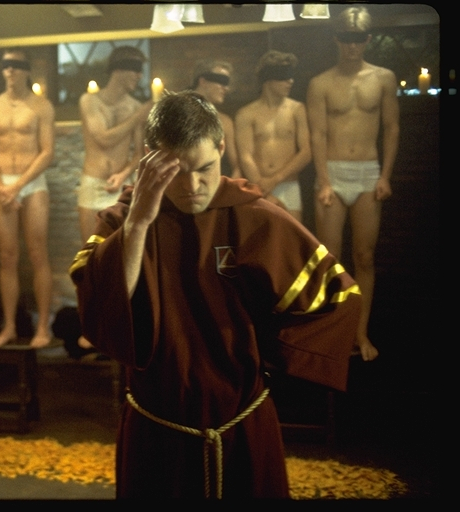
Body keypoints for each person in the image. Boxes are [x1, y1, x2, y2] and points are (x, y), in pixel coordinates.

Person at [69, 91, 361, 498]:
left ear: (221, 147)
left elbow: (339, 296)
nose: (192, 186)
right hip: (157, 428)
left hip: (241, 422)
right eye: (177, 172)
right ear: (151, 159)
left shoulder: (256, 216)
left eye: (205, 168)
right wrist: (138, 224)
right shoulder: (124, 219)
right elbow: (98, 304)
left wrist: (271, 356)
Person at [307, 6, 399, 361]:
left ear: (368, 40)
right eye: (346, 39)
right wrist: (324, 180)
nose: (352, 46)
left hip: (367, 173)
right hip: (332, 171)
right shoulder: (320, 83)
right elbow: (317, 134)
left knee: (364, 256)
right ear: (336, 39)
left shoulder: (383, 78)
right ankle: (334, 334)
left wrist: (385, 175)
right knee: (329, 259)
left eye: (358, 39)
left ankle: (360, 334)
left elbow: (391, 128)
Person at [0, 48, 55, 348]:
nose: (10, 70)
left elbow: (47, 151)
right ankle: (9, 326)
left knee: (38, 253)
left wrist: (19, 185)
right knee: (7, 257)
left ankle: (43, 327)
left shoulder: (41, 106)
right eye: (6, 65)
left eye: (16, 65)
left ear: (27, 70)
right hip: (1, 184)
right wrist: (1, 186)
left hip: (32, 182)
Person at [77, 45, 152, 244]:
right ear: (118, 69)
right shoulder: (89, 101)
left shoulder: (135, 106)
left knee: (120, 250)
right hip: (93, 184)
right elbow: (103, 139)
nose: (139, 76)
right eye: (135, 70)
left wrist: (123, 175)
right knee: (90, 252)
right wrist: (138, 116)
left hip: (121, 186)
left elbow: (139, 153)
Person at [235, 51, 311, 222]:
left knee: (292, 235)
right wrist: (261, 187)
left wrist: (275, 179)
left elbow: (306, 151)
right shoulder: (246, 114)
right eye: (284, 77)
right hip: (258, 187)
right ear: (268, 79)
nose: (290, 81)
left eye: (291, 76)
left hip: (288, 185)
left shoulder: (297, 110)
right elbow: (245, 155)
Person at [191, 59, 241, 179]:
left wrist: (226, 189)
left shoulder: (225, 122)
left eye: (227, 83)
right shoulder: (177, 114)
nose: (226, 88)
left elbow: (237, 167)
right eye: (221, 81)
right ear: (203, 81)